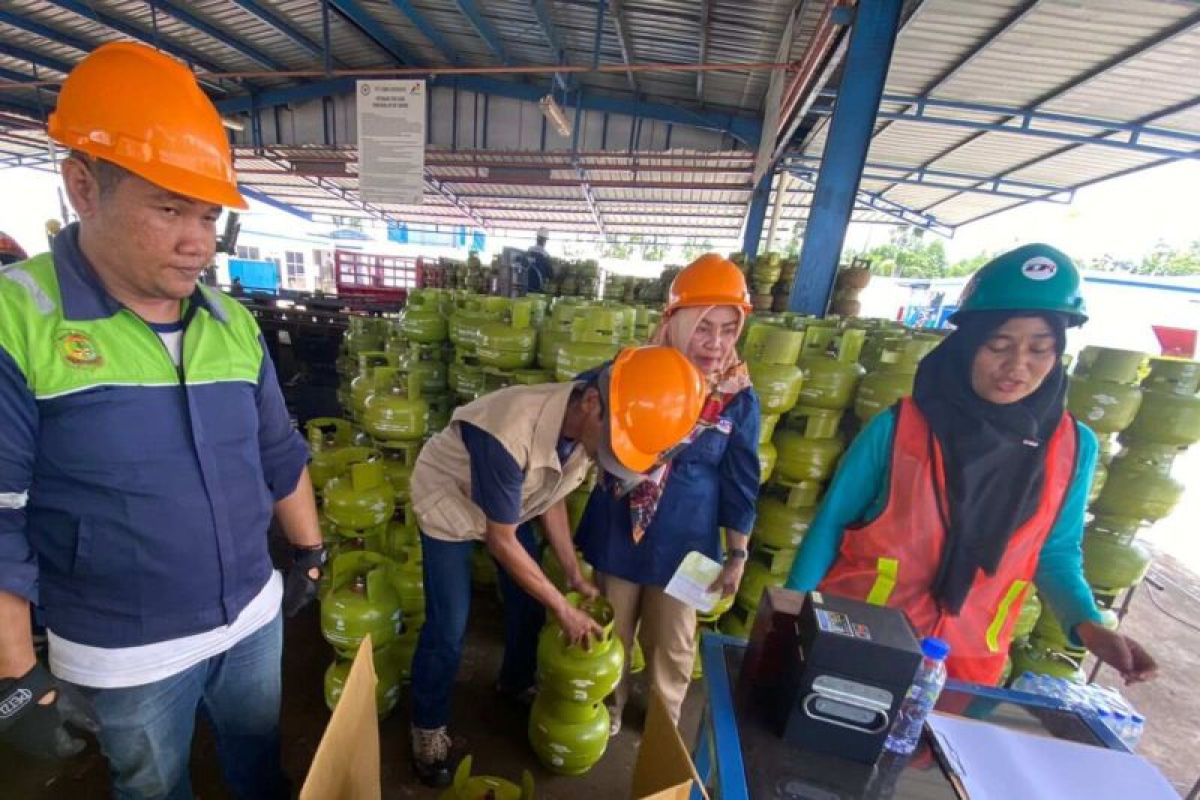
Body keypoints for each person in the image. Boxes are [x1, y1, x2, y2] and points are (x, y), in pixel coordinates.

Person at [0, 42, 326, 798]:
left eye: (209, 215)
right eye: (169, 208)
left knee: (255, 752)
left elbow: (278, 451)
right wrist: (15, 672)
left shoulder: (229, 323)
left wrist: (306, 549)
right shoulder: (21, 322)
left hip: (250, 615)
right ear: (84, 188)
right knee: (153, 783)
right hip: (125, 650)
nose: (198, 242)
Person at [785, 244, 1157, 686]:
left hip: (965, 666)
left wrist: (1088, 625)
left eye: (1040, 349)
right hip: (860, 642)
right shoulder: (900, 427)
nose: (1016, 366)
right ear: (966, 346)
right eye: (998, 345)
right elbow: (830, 525)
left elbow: (1055, 552)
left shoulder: (1073, 448)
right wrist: (787, 618)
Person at [407, 346, 707, 786]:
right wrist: (564, 609)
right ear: (591, 403)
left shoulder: (591, 427)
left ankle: (513, 684)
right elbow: (502, 540)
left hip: (511, 505)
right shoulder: (509, 432)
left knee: (529, 606)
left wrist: (571, 575)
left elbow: (552, 495)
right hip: (450, 503)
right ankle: (427, 728)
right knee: (449, 626)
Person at [575, 253, 762, 733]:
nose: (715, 343)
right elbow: (577, 405)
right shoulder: (630, 369)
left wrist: (738, 553)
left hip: (688, 541)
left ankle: (662, 720)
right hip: (620, 528)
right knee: (612, 627)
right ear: (674, 321)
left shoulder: (738, 397)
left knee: (674, 641)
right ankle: (607, 707)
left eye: (727, 328)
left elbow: (741, 480)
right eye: (703, 326)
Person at [525, 226, 552, 293]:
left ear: (537, 238)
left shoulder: (529, 251)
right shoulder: (546, 255)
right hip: (538, 288)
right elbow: (550, 274)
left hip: (525, 285)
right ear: (545, 241)